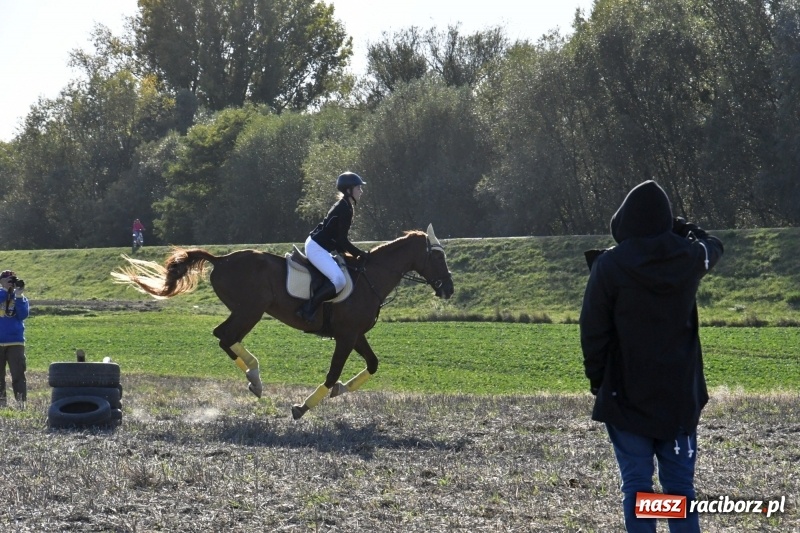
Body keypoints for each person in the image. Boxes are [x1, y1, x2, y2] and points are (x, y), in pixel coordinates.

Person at [579, 180, 724, 533]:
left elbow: (593, 329)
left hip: (625, 395)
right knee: (679, 490)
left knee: (637, 487)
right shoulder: (689, 258)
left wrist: (598, 380)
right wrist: (685, 229)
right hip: (678, 397)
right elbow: (713, 245)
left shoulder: (610, 265)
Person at [296, 172, 368, 323]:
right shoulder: (344, 208)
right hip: (316, 248)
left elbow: (338, 239)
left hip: (319, 245)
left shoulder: (346, 205)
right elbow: (342, 240)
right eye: (358, 188)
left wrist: (354, 254)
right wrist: (359, 254)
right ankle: (307, 309)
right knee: (339, 280)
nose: (361, 191)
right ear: (348, 190)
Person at [0, 270, 29, 410]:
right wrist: (5, 291)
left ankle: (21, 403)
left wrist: (18, 295)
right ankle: (1, 404)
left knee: (18, 373)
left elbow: (23, 315)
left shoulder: (19, 298)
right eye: (8, 279)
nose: (11, 282)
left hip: (15, 342)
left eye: (13, 279)